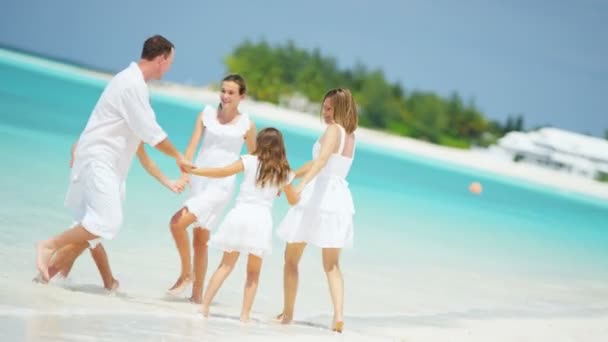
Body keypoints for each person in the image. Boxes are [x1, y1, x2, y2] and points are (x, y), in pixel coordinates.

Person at [35, 34, 192, 281]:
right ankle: (48, 245)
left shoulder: (132, 83)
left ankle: (46, 279)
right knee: (107, 222)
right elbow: (152, 134)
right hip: (100, 161)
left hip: (108, 166)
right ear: (161, 58)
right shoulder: (132, 85)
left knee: (93, 231)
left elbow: (117, 129)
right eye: (171, 61)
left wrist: (79, 143)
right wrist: (178, 157)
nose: (171, 67)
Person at [34, 142, 185, 290]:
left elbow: (146, 161)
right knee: (90, 232)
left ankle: (71, 279)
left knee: (90, 233)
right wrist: (76, 156)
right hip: (96, 180)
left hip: (103, 182)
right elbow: (83, 140)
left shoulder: (131, 129)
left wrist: (168, 182)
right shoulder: (119, 122)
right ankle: (46, 278)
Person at [185, 127, 298, 321]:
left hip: (239, 215)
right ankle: (244, 316)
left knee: (225, 265)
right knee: (253, 273)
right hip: (261, 221)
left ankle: (204, 307)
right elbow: (293, 200)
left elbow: (222, 172)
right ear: (281, 148)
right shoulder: (284, 172)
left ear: (260, 143)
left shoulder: (249, 161)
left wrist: (196, 170)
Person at [166, 74, 256, 303]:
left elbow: (254, 159)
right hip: (199, 180)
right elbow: (191, 147)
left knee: (177, 223)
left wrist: (265, 187)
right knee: (200, 238)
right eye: (223, 91)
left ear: (241, 96)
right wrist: (184, 175)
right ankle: (196, 297)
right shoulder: (206, 114)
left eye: (231, 93)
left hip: (222, 186)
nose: (225, 96)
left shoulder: (247, 124)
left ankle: (186, 273)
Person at [275, 88, 358, 333]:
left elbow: (320, 163)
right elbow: (322, 162)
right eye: (324, 107)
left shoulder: (334, 130)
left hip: (317, 196)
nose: (325, 112)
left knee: (291, 259)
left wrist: (300, 184)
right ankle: (339, 316)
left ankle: (287, 314)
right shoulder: (351, 136)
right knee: (332, 265)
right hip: (338, 199)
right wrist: (292, 173)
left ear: (341, 109)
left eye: (330, 108)